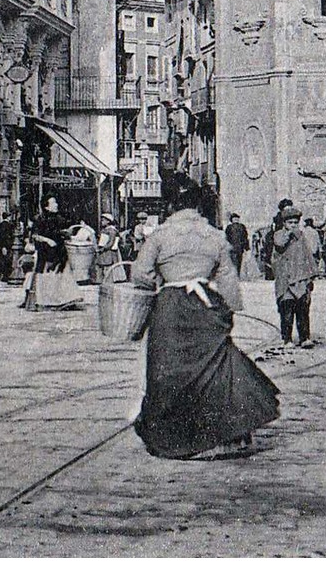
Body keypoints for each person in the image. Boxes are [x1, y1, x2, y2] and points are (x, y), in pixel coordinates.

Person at [131, 180, 280, 459]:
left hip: (170, 306)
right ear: (199, 206)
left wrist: (163, 280)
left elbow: (140, 273)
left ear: (172, 205)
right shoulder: (213, 235)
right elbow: (227, 278)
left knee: (168, 370)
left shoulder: (161, 235)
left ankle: (173, 435)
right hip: (204, 305)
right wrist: (228, 310)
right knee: (214, 368)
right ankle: (221, 434)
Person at [22, 196, 82, 310]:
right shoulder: (40, 219)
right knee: (47, 277)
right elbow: (35, 235)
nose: (56, 205)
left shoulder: (59, 218)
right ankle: (48, 302)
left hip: (59, 253)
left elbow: (60, 231)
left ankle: (64, 300)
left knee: (62, 276)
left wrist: (64, 233)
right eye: (53, 203)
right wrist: (48, 240)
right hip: (46, 253)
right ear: (46, 207)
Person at [272, 207, 317, 347]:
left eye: (295, 223)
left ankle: (304, 338)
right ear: (284, 223)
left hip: (301, 278)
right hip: (285, 280)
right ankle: (287, 339)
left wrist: (312, 275)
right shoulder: (279, 235)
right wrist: (289, 234)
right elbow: (279, 244)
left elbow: (308, 255)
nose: (293, 225)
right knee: (287, 310)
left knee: (303, 310)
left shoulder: (301, 237)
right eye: (290, 222)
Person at [93, 214, 125, 283]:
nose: (101, 222)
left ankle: (108, 281)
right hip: (104, 250)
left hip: (109, 251)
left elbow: (111, 242)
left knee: (108, 265)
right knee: (102, 265)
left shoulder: (112, 230)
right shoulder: (104, 230)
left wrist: (103, 248)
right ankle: (101, 281)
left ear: (108, 221)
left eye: (103, 220)